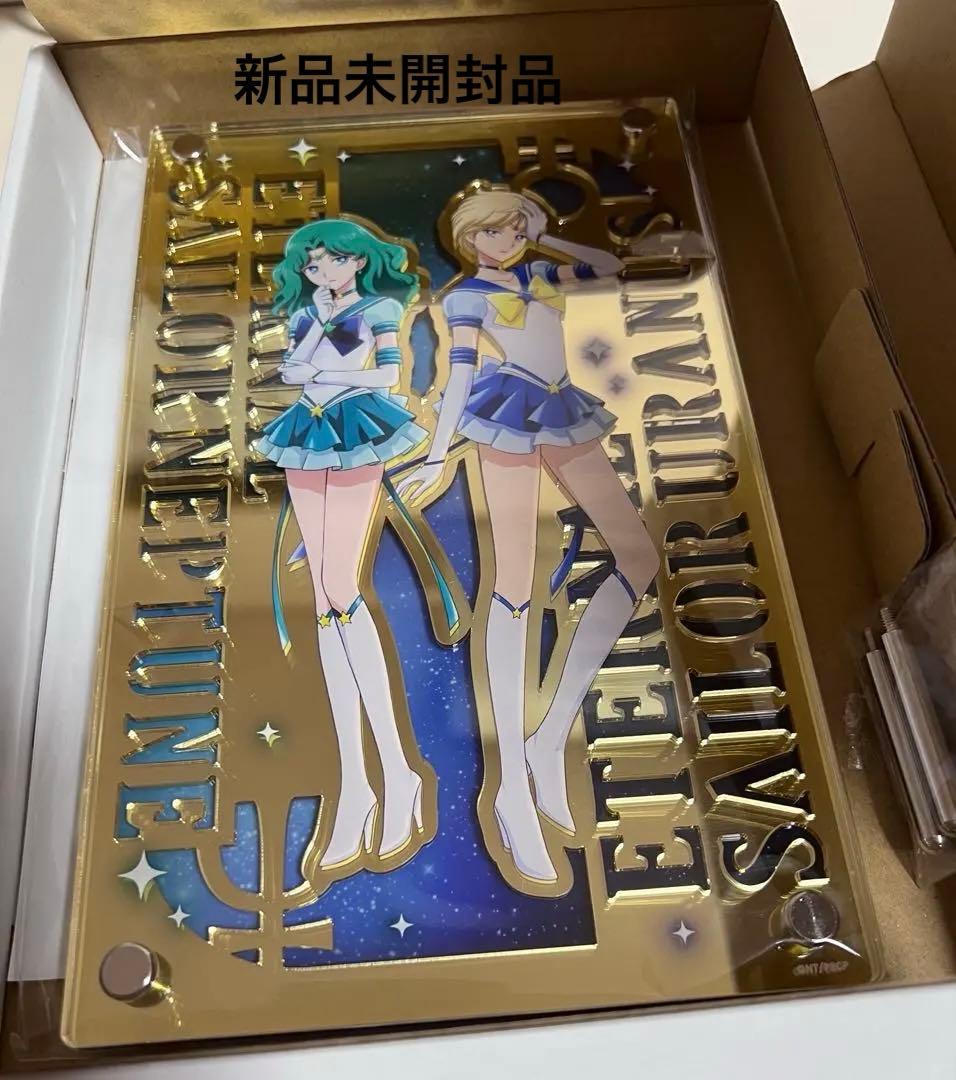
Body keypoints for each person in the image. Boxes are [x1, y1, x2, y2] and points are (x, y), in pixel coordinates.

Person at [397, 188, 659, 884]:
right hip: (506, 415)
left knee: (637, 557)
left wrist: (549, 234)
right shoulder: (465, 297)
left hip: (563, 408)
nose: (506, 239)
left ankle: (550, 736)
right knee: (511, 589)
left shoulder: (542, 272)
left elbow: (608, 264)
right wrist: (435, 456)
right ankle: (511, 783)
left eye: (516, 227)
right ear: (468, 239)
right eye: (492, 231)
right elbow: (457, 376)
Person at [255, 218, 428, 870]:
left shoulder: (379, 308)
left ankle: (396, 772)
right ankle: (357, 783)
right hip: (306, 430)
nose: (319, 272)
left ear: (357, 261)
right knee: (326, 603)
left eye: (329, 261)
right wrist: (312, 354)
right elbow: (290, 369)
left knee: (339, 589)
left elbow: (389, 378)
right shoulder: (307, 312)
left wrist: (326, 375)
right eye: (311, 264)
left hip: (358, 427)